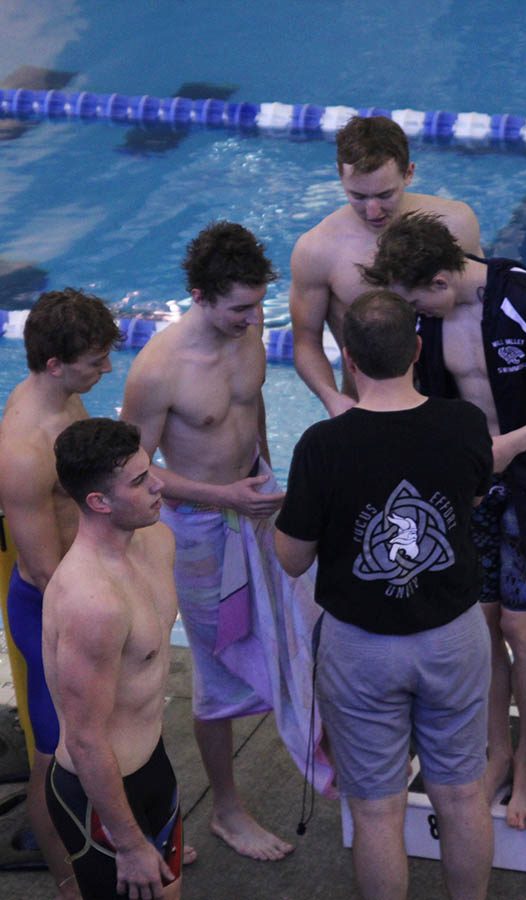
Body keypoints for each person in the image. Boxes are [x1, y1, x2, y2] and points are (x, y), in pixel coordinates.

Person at [362, 211, 526, 830]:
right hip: (473, 488)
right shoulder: (423, 318)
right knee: (481, 622)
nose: (421, 318)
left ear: (444, 279)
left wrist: (515, 443)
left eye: (423, 304)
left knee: (522, 624)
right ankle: (498, 752)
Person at [121, 221, 331, 862]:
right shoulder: (159, 368)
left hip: (255, 501)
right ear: (199, 296)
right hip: (200, 531)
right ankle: (228, 810)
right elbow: (133, 468)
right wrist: (223, 497)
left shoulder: (246, 341)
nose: (252, 319)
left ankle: (321, 748)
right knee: (217, 670)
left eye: (258, 304)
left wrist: (261, 473)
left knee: (305, 624)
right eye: (240, 308)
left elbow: (253, 407)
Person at [275, 290, 494, 900]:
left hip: (361, 648)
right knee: (462, 793)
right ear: (418, 350)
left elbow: (292, 559)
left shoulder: (323, 446)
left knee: (376, 811)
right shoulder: (463, 423)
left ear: (347, 356)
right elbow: (471, 502)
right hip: (452, 637)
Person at [0, 288, 119, 897]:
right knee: (56, 752)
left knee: (108, 732)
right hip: (51, 609)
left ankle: (123, 837)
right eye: (95, 361)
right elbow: (45, 570)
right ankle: (69, 878)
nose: (106, 370)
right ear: (54, 364)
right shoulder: (23, 448)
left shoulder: (69, 400)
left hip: (86, 587)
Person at [43, 418, 182, 900]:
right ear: (99, 502)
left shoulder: (158, 541)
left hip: (154, 767)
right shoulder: (92, 603)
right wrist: (128, 843)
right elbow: (84, 739)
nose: (159, 483)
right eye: (141, 481)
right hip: (98, 796)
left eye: (151, 470)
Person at [289, 114, 482, 416]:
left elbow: (482, 311)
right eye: (358, 196)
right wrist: (332, 399)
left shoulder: (456, 224)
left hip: (452, 405)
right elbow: (306, 341)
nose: (373, 210)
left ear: (409, 174)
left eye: (384, 195)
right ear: (341, 177)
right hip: (369, 408)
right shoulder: (317, 249)